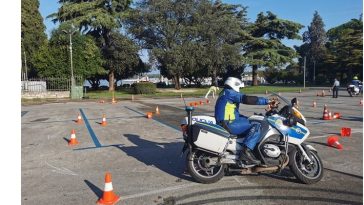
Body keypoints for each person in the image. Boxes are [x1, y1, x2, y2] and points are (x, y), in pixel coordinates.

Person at [214, 77, 274, 165]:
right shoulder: (230, 93)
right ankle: (246, 151)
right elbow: (247, 99)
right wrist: (267, 101)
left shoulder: (224, 92)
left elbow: (233, 112)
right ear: (234, 85)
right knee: (256, 125)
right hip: (228, 123)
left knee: (251, 119)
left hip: (227, 121)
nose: (239, 90)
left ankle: (247, 147)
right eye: (239, 87)